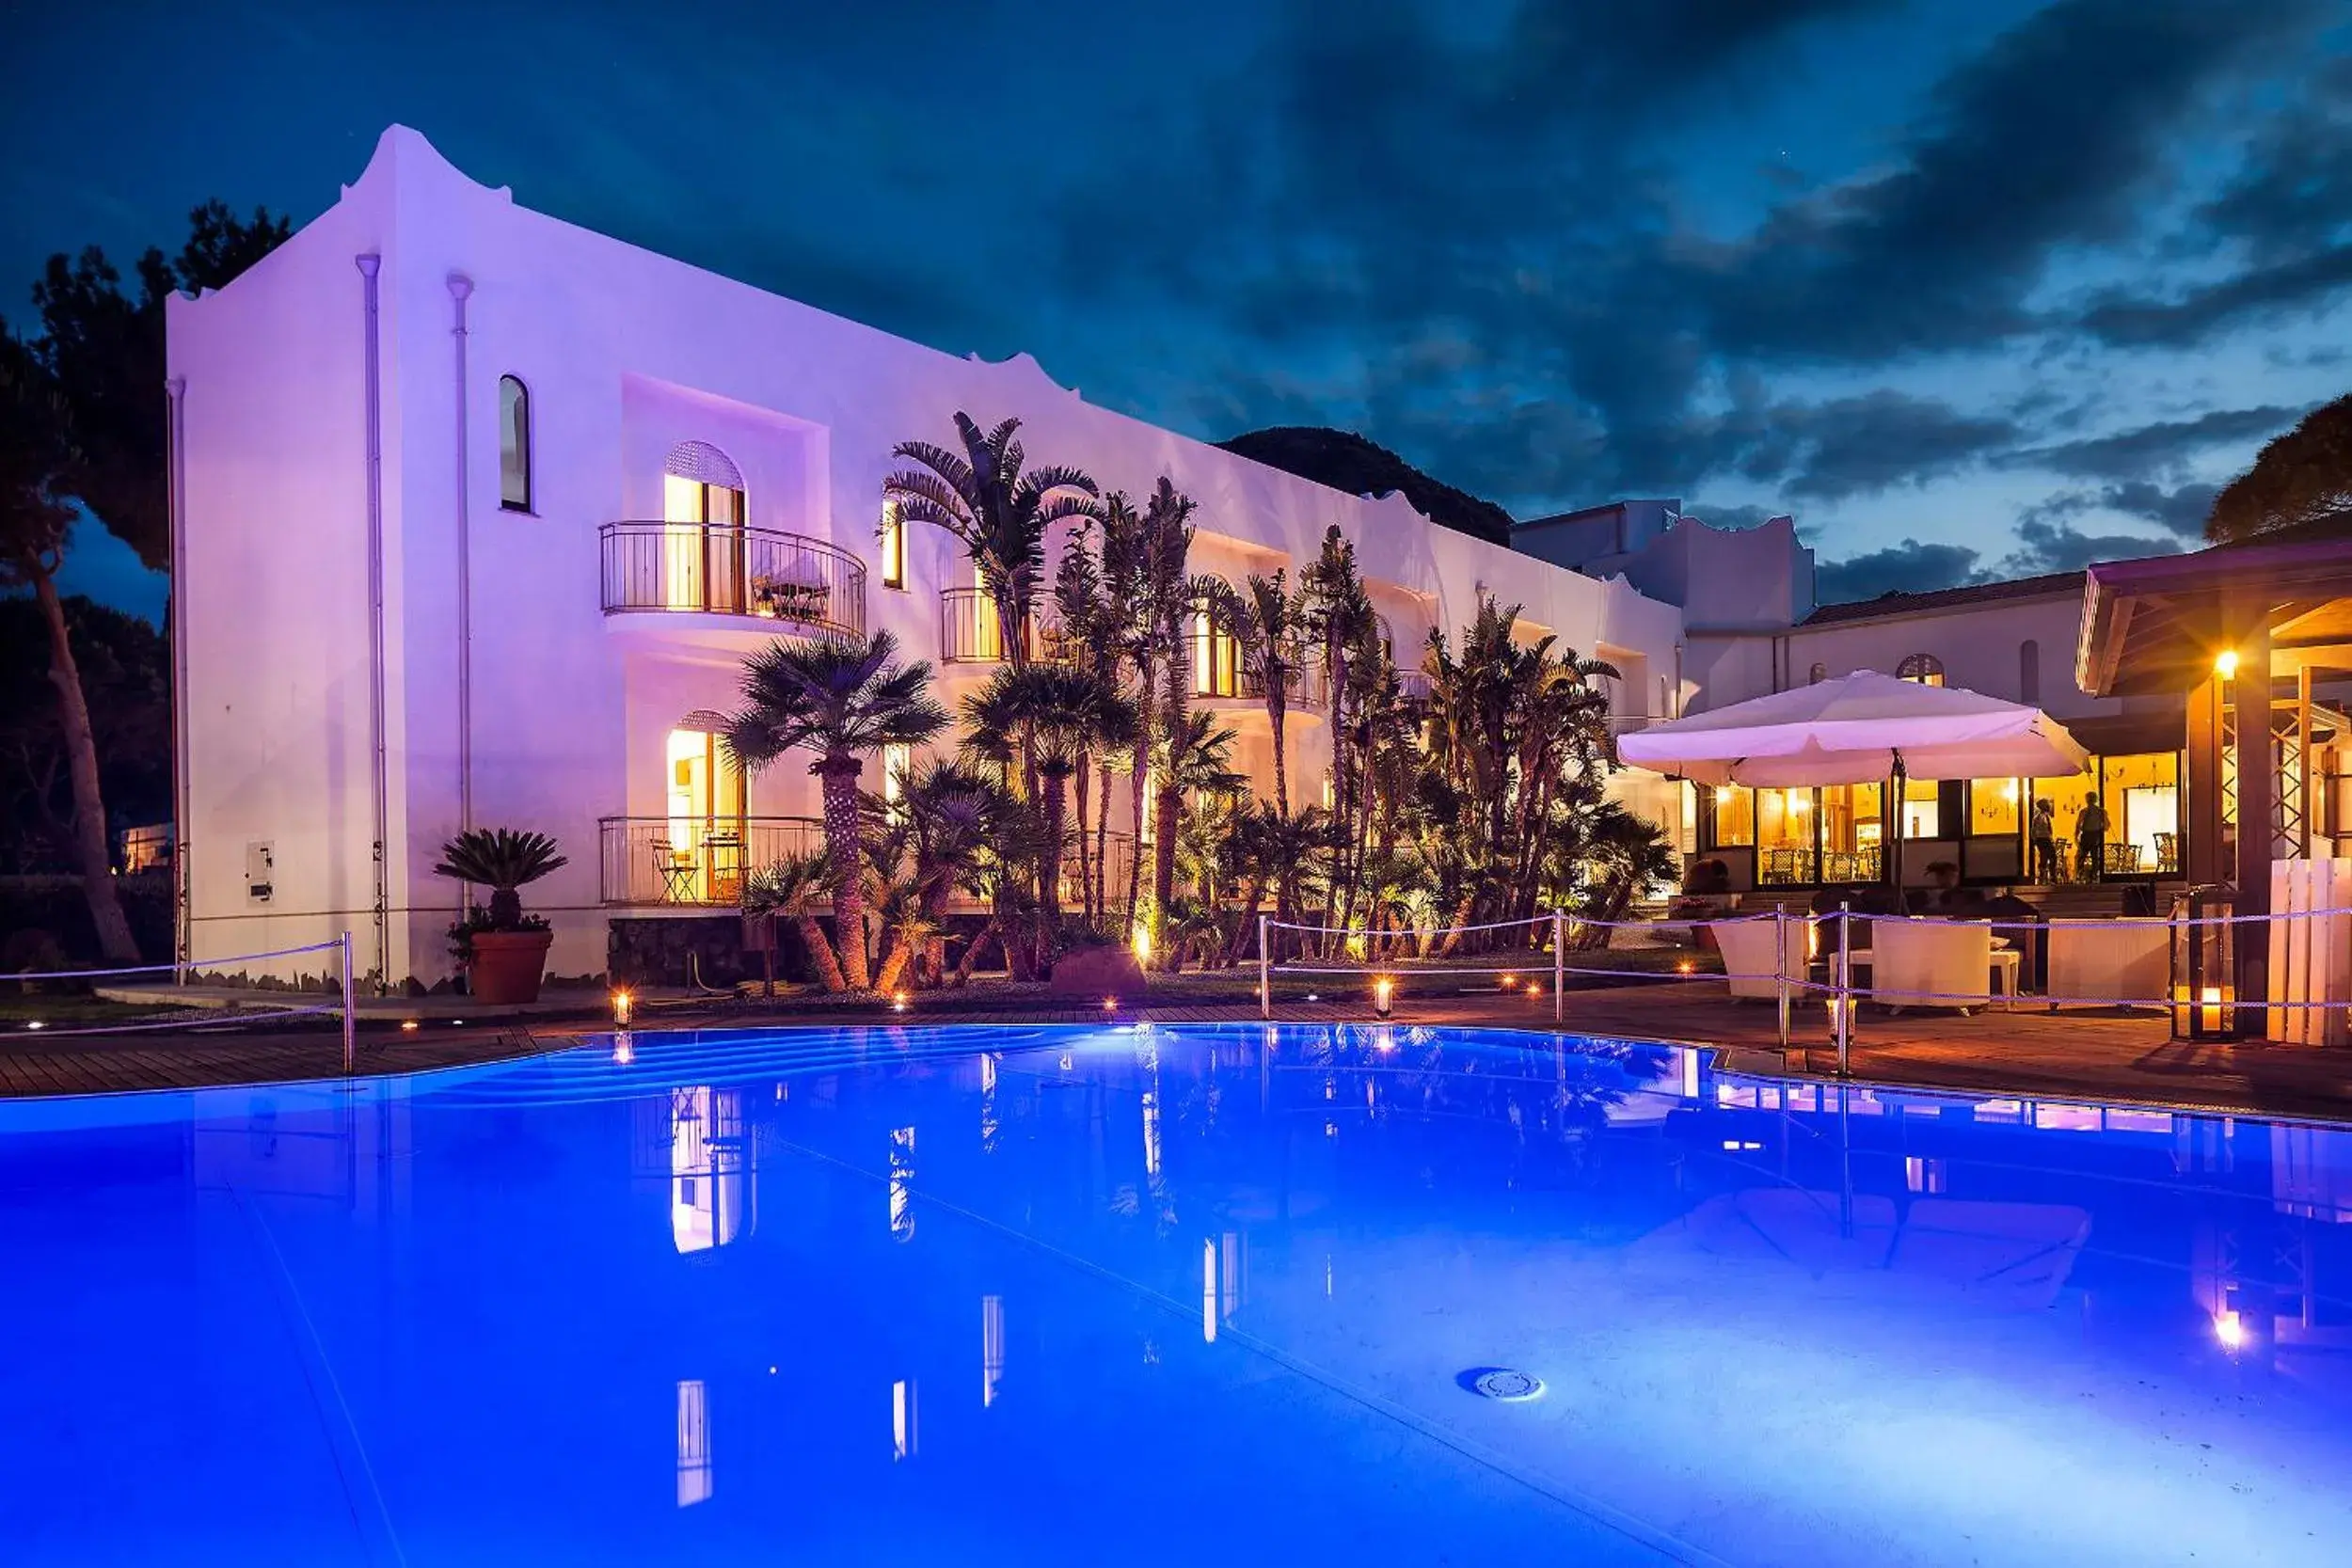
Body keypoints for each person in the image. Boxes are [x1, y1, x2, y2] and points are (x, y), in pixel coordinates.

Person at [2075, 790, 2110, 882]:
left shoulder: (2084, 811)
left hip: (2087, 835)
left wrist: (2076, 836)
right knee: (2095, 857)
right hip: (2096, 836)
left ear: (2086, 799)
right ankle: (2093, 875)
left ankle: (2081, 873)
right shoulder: (2101, 811)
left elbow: (2078, 825)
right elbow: (2107, 826)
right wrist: (2100, 828)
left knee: (2081, 856)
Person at [2030, 797, 2058, 883]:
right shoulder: (2040, 817)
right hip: (2043, 839)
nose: (2049, 805)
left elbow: (2034, 830)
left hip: (2043, 839)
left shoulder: (2043, 816)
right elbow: (2036, 830)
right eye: (2048, 804)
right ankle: (2050, 877)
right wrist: (2036, 839)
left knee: (2045, 857)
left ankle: (2045, 876)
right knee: (2051, 856)